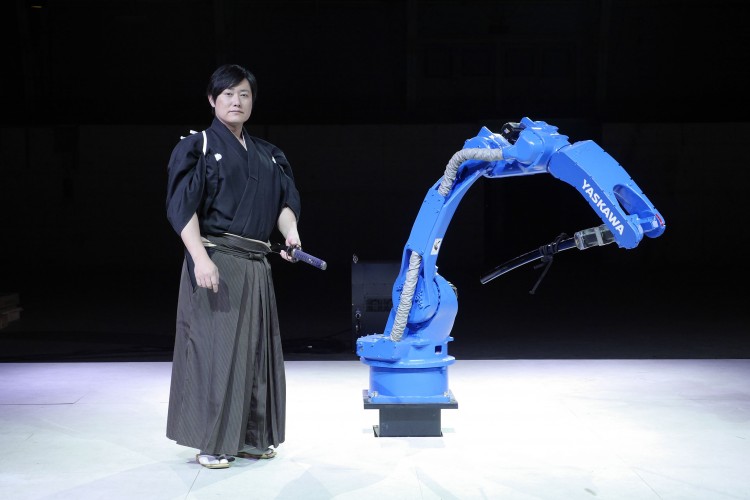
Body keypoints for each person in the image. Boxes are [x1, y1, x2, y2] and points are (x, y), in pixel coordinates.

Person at [165, 63, 301, 469]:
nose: (236, 101)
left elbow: (284, 203)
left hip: (256, 264)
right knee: (215, 354)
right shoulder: (198, 146)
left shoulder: (269, 154)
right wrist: (200, 258)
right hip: (217, 259)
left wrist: (291, 234)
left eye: (244, 94)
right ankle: (211, 442)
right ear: (212, 99)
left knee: (256, 355)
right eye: (227, 94)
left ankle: (251, 439)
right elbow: (182, 208)